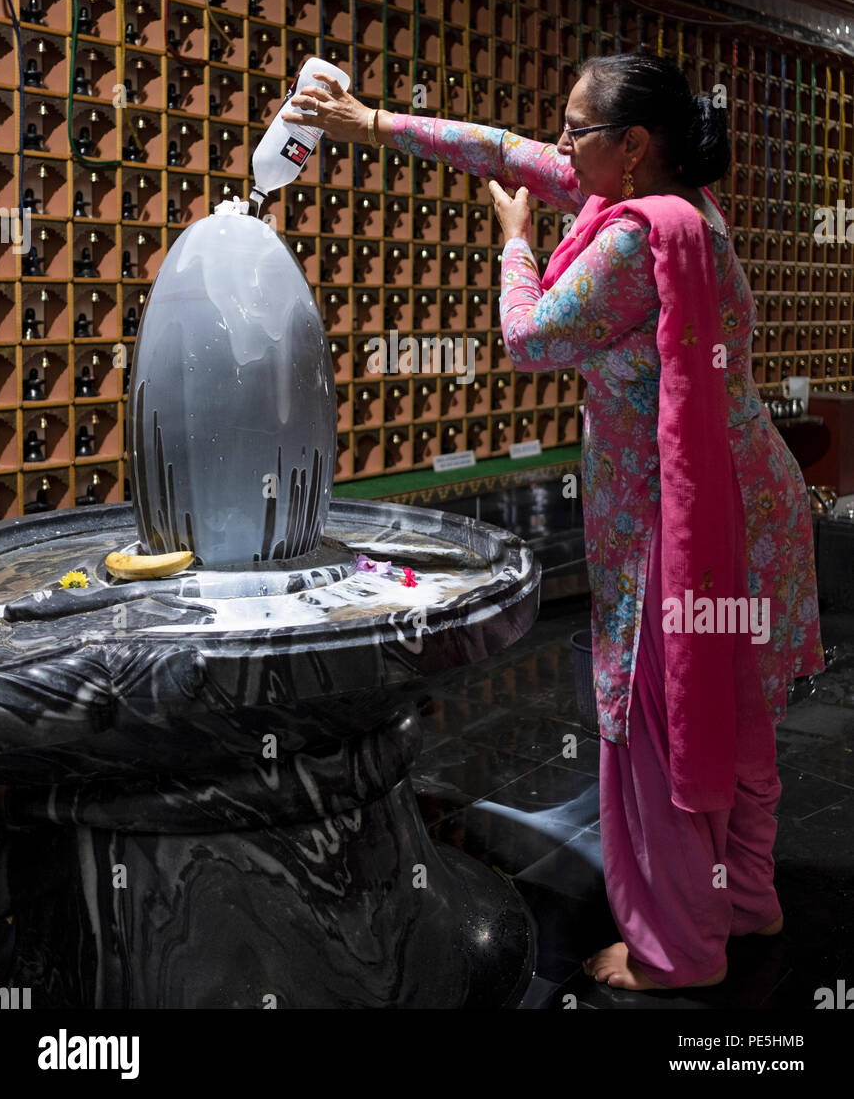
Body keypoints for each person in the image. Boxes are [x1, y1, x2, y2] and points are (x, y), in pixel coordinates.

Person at [283, 53, 824, 991]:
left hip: (678, 529)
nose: (558, 145)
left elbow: (529, 338)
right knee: (731, 709)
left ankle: (674, 953)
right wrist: (368, 121)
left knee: (661, 720)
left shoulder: (629, 243)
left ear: (633, 144)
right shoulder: (682, 208)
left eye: (574, 130)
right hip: (753, 514)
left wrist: (514, 242)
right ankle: (745, 899)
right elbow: (499, 148)